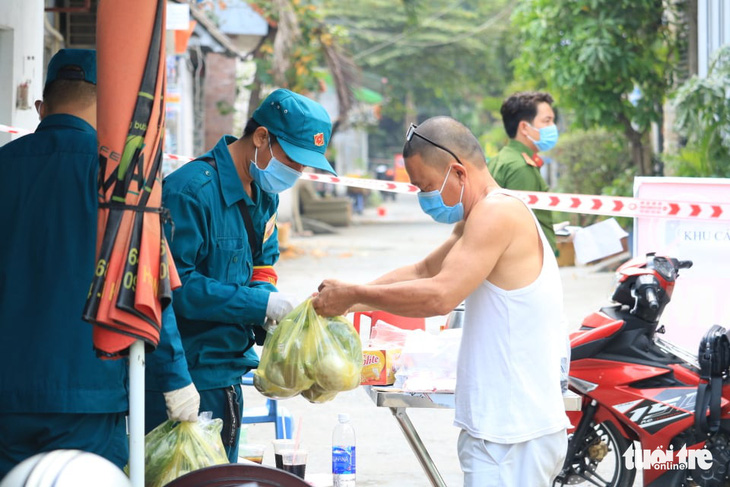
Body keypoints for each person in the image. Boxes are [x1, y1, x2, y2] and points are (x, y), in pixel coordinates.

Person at [312, 116, 569, 486]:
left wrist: (354, 295)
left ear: (458, 173)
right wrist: (348, 300)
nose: (424, 198)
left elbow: (440, 295)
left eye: (427, 186)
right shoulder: (479, 216)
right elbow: (423, 270)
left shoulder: (498, 213)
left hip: (512, 434)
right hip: (504, 430)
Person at [0, 49, 198, 480]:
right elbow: (147, 288)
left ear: (41, 107)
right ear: (111, 107)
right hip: (89, 393)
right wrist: (176, 377)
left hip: (7, 395)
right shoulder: (124, 180)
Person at [149, 88, 335, 462]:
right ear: (262, 137)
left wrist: (274, 315)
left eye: (304, 166)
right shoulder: (189, 192)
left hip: (229, 370)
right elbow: (174, 285)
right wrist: (260, 302)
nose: (296, 173)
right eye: (293, 160)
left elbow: (263, 263)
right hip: (185, 375)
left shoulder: (265, 196)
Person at [488, 91, 559, 254]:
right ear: (524, 127)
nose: (552, 127)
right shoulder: (521, 167)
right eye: (547, 121)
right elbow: (523, 227)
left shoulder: (501, 159)